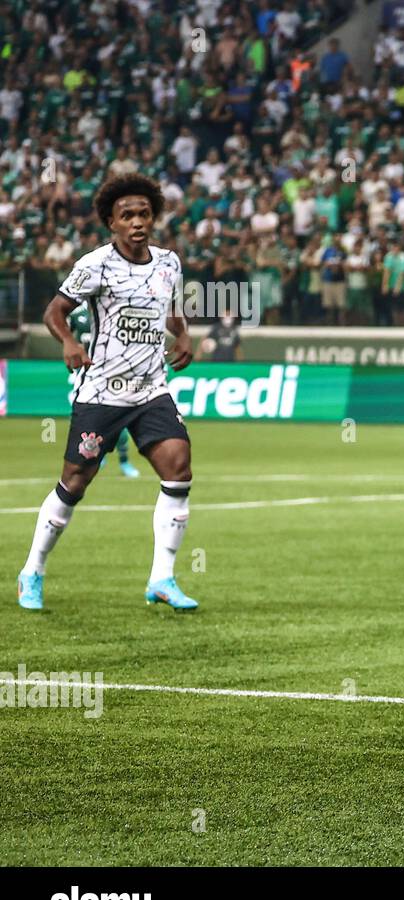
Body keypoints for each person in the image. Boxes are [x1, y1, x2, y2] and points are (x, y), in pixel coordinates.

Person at [17, 173, 199, 612]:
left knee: (178, 469)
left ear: (153, 217)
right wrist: (68, 341)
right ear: (111, 222)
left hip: (151, 389)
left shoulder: (168, 262)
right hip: (101, 391)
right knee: (75, 483)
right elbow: (54, 311)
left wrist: (184, 335)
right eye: (127, 215)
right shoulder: (95, 264)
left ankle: (162, 578)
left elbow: (170, 308)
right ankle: (33, 570)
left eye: (144, 213)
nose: (137, 222)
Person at [67, 301, 140, 478]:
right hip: (85, 375)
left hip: (112, 372)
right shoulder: (77, 313)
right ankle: (96, 455)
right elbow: (64, 333)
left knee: (120, 421)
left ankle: (124, 461)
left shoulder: (113, 308)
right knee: (89, 420)